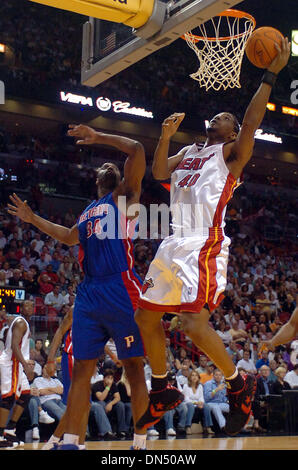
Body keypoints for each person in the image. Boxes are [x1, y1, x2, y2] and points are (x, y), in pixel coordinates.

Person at [134, 38, 292, 435]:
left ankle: (239, 383)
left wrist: (271, 73)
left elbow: (253, 120)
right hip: (172, 243)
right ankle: (162, 386)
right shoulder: (190, 151)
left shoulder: (231, 154)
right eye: (218, 114)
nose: (218, 117)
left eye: (225, 116)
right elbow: (158, 173)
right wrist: (166, 137)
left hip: (203, 243)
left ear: (233, 131)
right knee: (144, 317)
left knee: (190, 325)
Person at [7, 124, 149, 450]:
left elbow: (138, 150)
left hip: (120, 285)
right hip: (89, 291)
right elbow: (67, 236)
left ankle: (139, 444)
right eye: (105, 169)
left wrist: (99, 137)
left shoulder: (124, 198)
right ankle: (72, 443)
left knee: (133, 368)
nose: (109, 170)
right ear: (97, 180)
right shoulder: (87, 212)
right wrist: (33, 219)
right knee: (82, 369)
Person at [0, 300, 35, 448]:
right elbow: (15, 346)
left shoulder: (19, 321)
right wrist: (26, 366)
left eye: (31, 305)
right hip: (11, 363)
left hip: (17, 364)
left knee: (25, 395)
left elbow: (7, 318)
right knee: (8, 398)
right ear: (22, 308)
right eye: (26, 305)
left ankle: (10, 429)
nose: (29, 307)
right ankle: (0, 436)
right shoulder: (21, 323)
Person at [91, 368, 126, 438]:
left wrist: (111, 404)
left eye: (111, 378)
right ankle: (106, 431)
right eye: (108, 378)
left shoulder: (113, 385)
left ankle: (122, 430)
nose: (110, 380)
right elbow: (101, 398)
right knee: (102, 404)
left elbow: (118, 397)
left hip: (108, 403)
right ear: (104, 378)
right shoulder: (97, 385)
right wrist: (108, 387)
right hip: (97, 403)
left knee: (120, 405)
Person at [182, 370, 213, 435]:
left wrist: (201, 403)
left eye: (196, 375)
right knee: (190, 405)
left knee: (206, 406)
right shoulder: (186, 386)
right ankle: (188, 427)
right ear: (190, 377)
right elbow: (186, 399)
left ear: (198, 377)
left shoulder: (200, 386)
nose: (194, 377)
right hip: (188, 404)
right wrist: (196, 403)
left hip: (198, 404)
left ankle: (208, 427)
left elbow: (201, 397)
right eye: (192, 375)